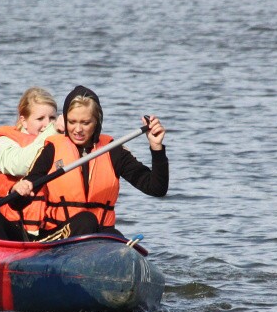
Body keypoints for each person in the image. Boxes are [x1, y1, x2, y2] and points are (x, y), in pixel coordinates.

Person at [23, 84, 168, 241]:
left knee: (116, 237)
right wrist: (20, 189)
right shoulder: (51, 150)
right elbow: (19, 202)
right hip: (56, 237)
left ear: (97, 122)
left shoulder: (114, 151)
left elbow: (157, 189)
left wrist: (157, 148)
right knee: (86, 220)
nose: (78, 129)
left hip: (99, 235)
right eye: (72, 122)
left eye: (85, 123)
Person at [0, 87, 62, 240]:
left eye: (52, 118)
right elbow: (21, 165)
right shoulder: (3, 142)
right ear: (24, 121)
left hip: (46, 230)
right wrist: (52, 131)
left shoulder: (61, 143)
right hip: (13, 229)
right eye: (40, 119)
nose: (47, 124)